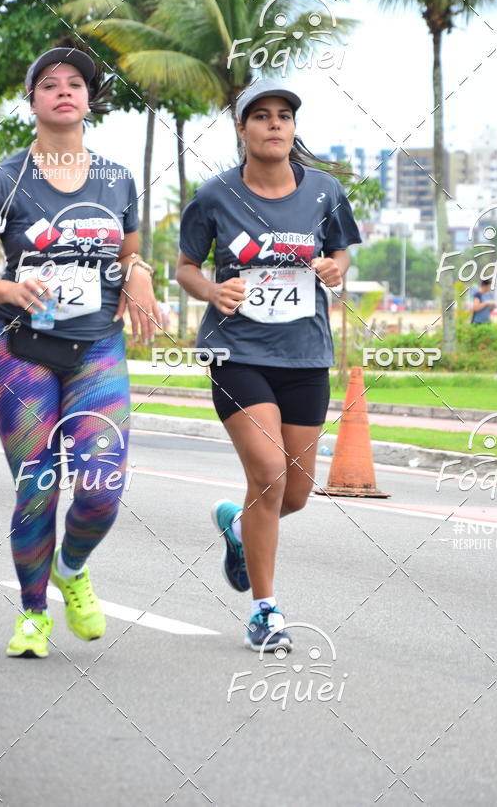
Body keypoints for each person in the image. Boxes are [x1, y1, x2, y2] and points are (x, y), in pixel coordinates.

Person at [177, 79, 361, 652]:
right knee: (268, 474)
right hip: (237, 354)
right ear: (242, 129)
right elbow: (185, 267)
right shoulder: (215, 196)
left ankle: (238, 528)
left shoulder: (326, 193)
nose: (274, 124)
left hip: (306, 357)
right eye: (261, 116)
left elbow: (342, 252)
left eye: (284, 116)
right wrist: (211, 290)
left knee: (295, 495)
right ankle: (265, 611)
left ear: (293, 128)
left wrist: (335, 269)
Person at [0, 40, 160, 658]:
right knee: (37, 485)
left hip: (96, 346)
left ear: (89, 101)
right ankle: (33, 614)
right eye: (50, 83)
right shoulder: (4, 178)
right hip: (19, 347)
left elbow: (130, 252)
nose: (65, 90)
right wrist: (11, 285)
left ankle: (72, 564)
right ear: (32, 99)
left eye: (76, 83)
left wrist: (140, 273)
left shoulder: (117, 178)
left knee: (99, 487)